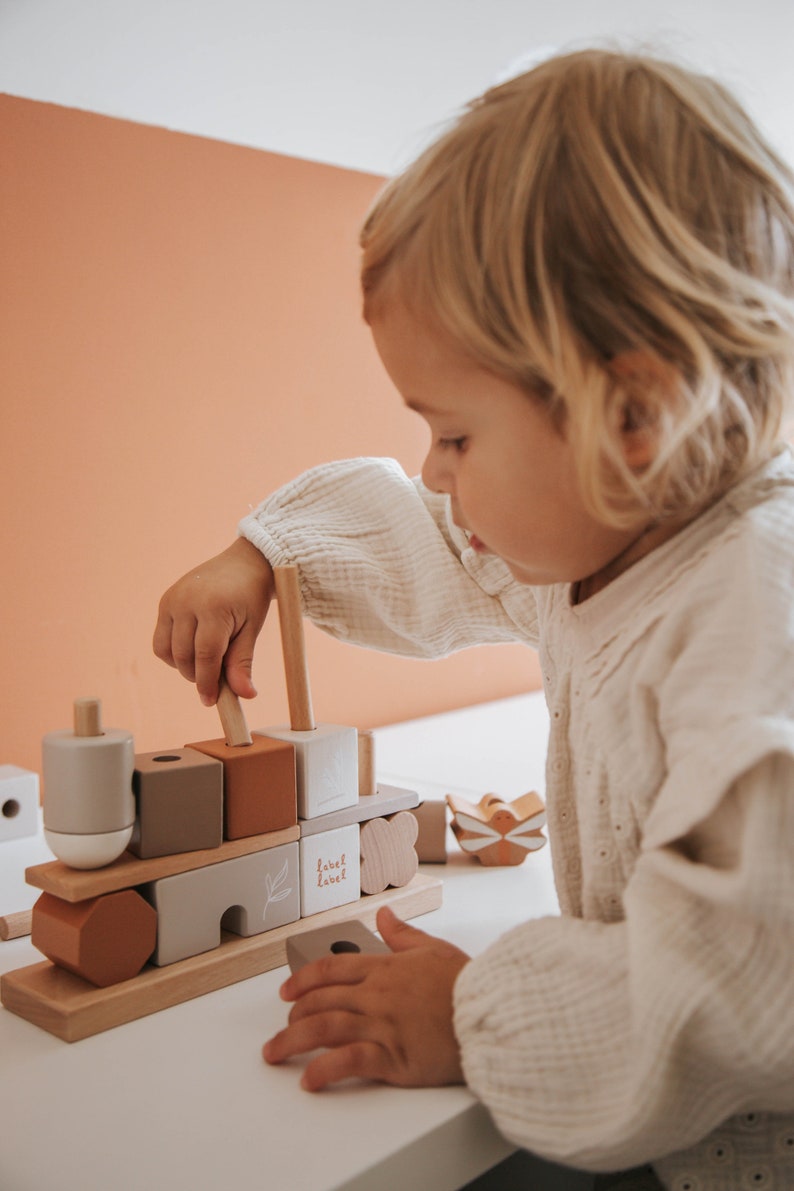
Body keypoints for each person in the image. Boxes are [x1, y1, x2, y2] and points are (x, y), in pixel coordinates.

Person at [153, 48, 794, 1189]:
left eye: (452, 435)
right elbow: (425, 543)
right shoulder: (596, 541)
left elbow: (732, 990)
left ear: (630, 415)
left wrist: (471, 1014)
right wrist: (265, 550)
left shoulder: (750, 609)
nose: (431, 471)